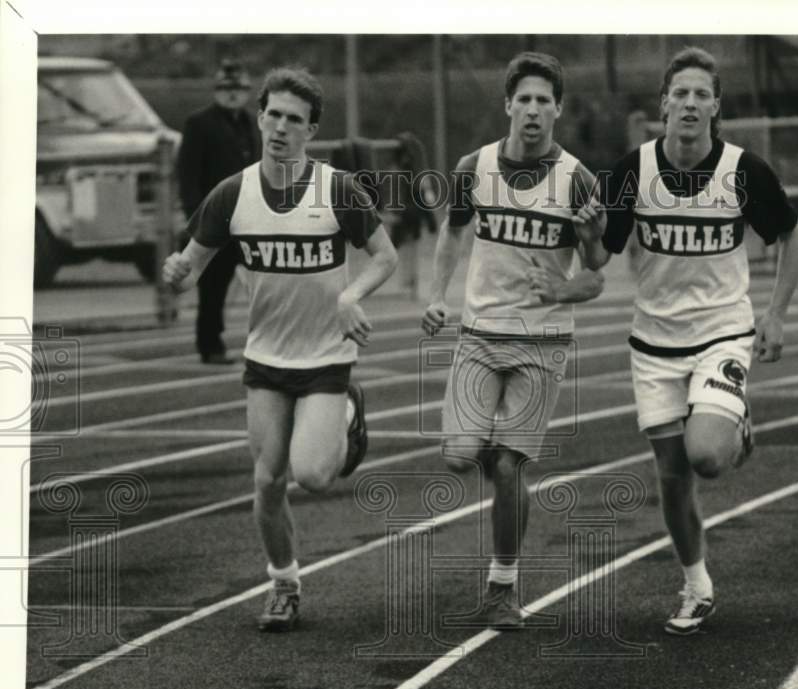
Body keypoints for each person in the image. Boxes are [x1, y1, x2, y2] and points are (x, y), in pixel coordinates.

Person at [581, 46, 798, 635]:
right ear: (663, 104)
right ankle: (697, 586)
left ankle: (734, 421)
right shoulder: (633, 170)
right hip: (653, 344)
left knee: (706, 455)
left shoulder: (742, 170)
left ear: (714, 107)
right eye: (678, 92)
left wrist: (776, 315)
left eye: (700, 93)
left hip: (721, 336)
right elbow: (601, 255)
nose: (688, 102)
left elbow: (791, 231)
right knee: (672, 476)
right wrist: (587, 237)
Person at [164, 67, 398, 632]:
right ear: (260, 118)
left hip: (326, 359)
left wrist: (350, 294)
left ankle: (347, 411)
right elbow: (191, 267)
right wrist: (177, 273)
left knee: (314, 476)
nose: (280, 128)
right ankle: (284, 585)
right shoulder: (233, 194)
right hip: (266, 360)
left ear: (311, 130)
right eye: (272, 115)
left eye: (295, 120)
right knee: (268, 481)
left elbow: (385, 256)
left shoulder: (337, 190)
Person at [421, 52, 607, 630]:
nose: (532, 110)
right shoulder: (473, 167)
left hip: (542, 343)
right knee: (457, 457)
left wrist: (573, 273)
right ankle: (502, 467)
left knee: (505, 467)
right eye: (522, 100)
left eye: (542, 101)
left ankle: (503, 584)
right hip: (478, 335)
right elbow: (452, 236)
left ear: (557, 110)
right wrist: (437, 296)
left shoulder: (576, 178)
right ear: (507, 106)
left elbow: (597, 272)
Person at [177, 59, 261, 365]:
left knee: (266, 281)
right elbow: (187, 175)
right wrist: (195, 220)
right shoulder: (198, 123)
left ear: (248, 91)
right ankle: (209, 344)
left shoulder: (253, 122)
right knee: (212, 287)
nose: (232, 94)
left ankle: (267, 344)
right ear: (216, 90)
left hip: (248, 218)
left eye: (238, 88)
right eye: (226, 88)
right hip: (214, 220)